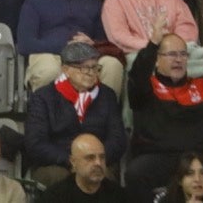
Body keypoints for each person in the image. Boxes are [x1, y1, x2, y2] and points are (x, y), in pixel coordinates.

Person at [125, 25, 203, 203]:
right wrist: (153, 44)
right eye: (171, 55)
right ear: (156, 59)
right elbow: (137, 76)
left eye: (182, 54)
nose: (178, 60)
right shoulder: (146, 89)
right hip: (159, 157)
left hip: (200, 158)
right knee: (135, 173)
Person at [17, 0, 123, 95]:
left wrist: (94, 44)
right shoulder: (34, 2)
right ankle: (47, 117)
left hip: (86, 59)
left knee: (112, 65)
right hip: (50, 57)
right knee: (48, 68)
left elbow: (105, 42)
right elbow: (25, 44)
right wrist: (68, 48)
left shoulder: (93, 3)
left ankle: (102, 117)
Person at [23, 38, 127, 188]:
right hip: (58, 164)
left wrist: (95, 160)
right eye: (84, 68)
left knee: (104, 178)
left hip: (98, 163)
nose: (91, 73)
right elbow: (35, 143)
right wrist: (72, 161)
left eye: (94, 67)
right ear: (66, 70)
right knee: (60, 179)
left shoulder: (106, 95)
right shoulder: (44, 97)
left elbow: (117, 140)